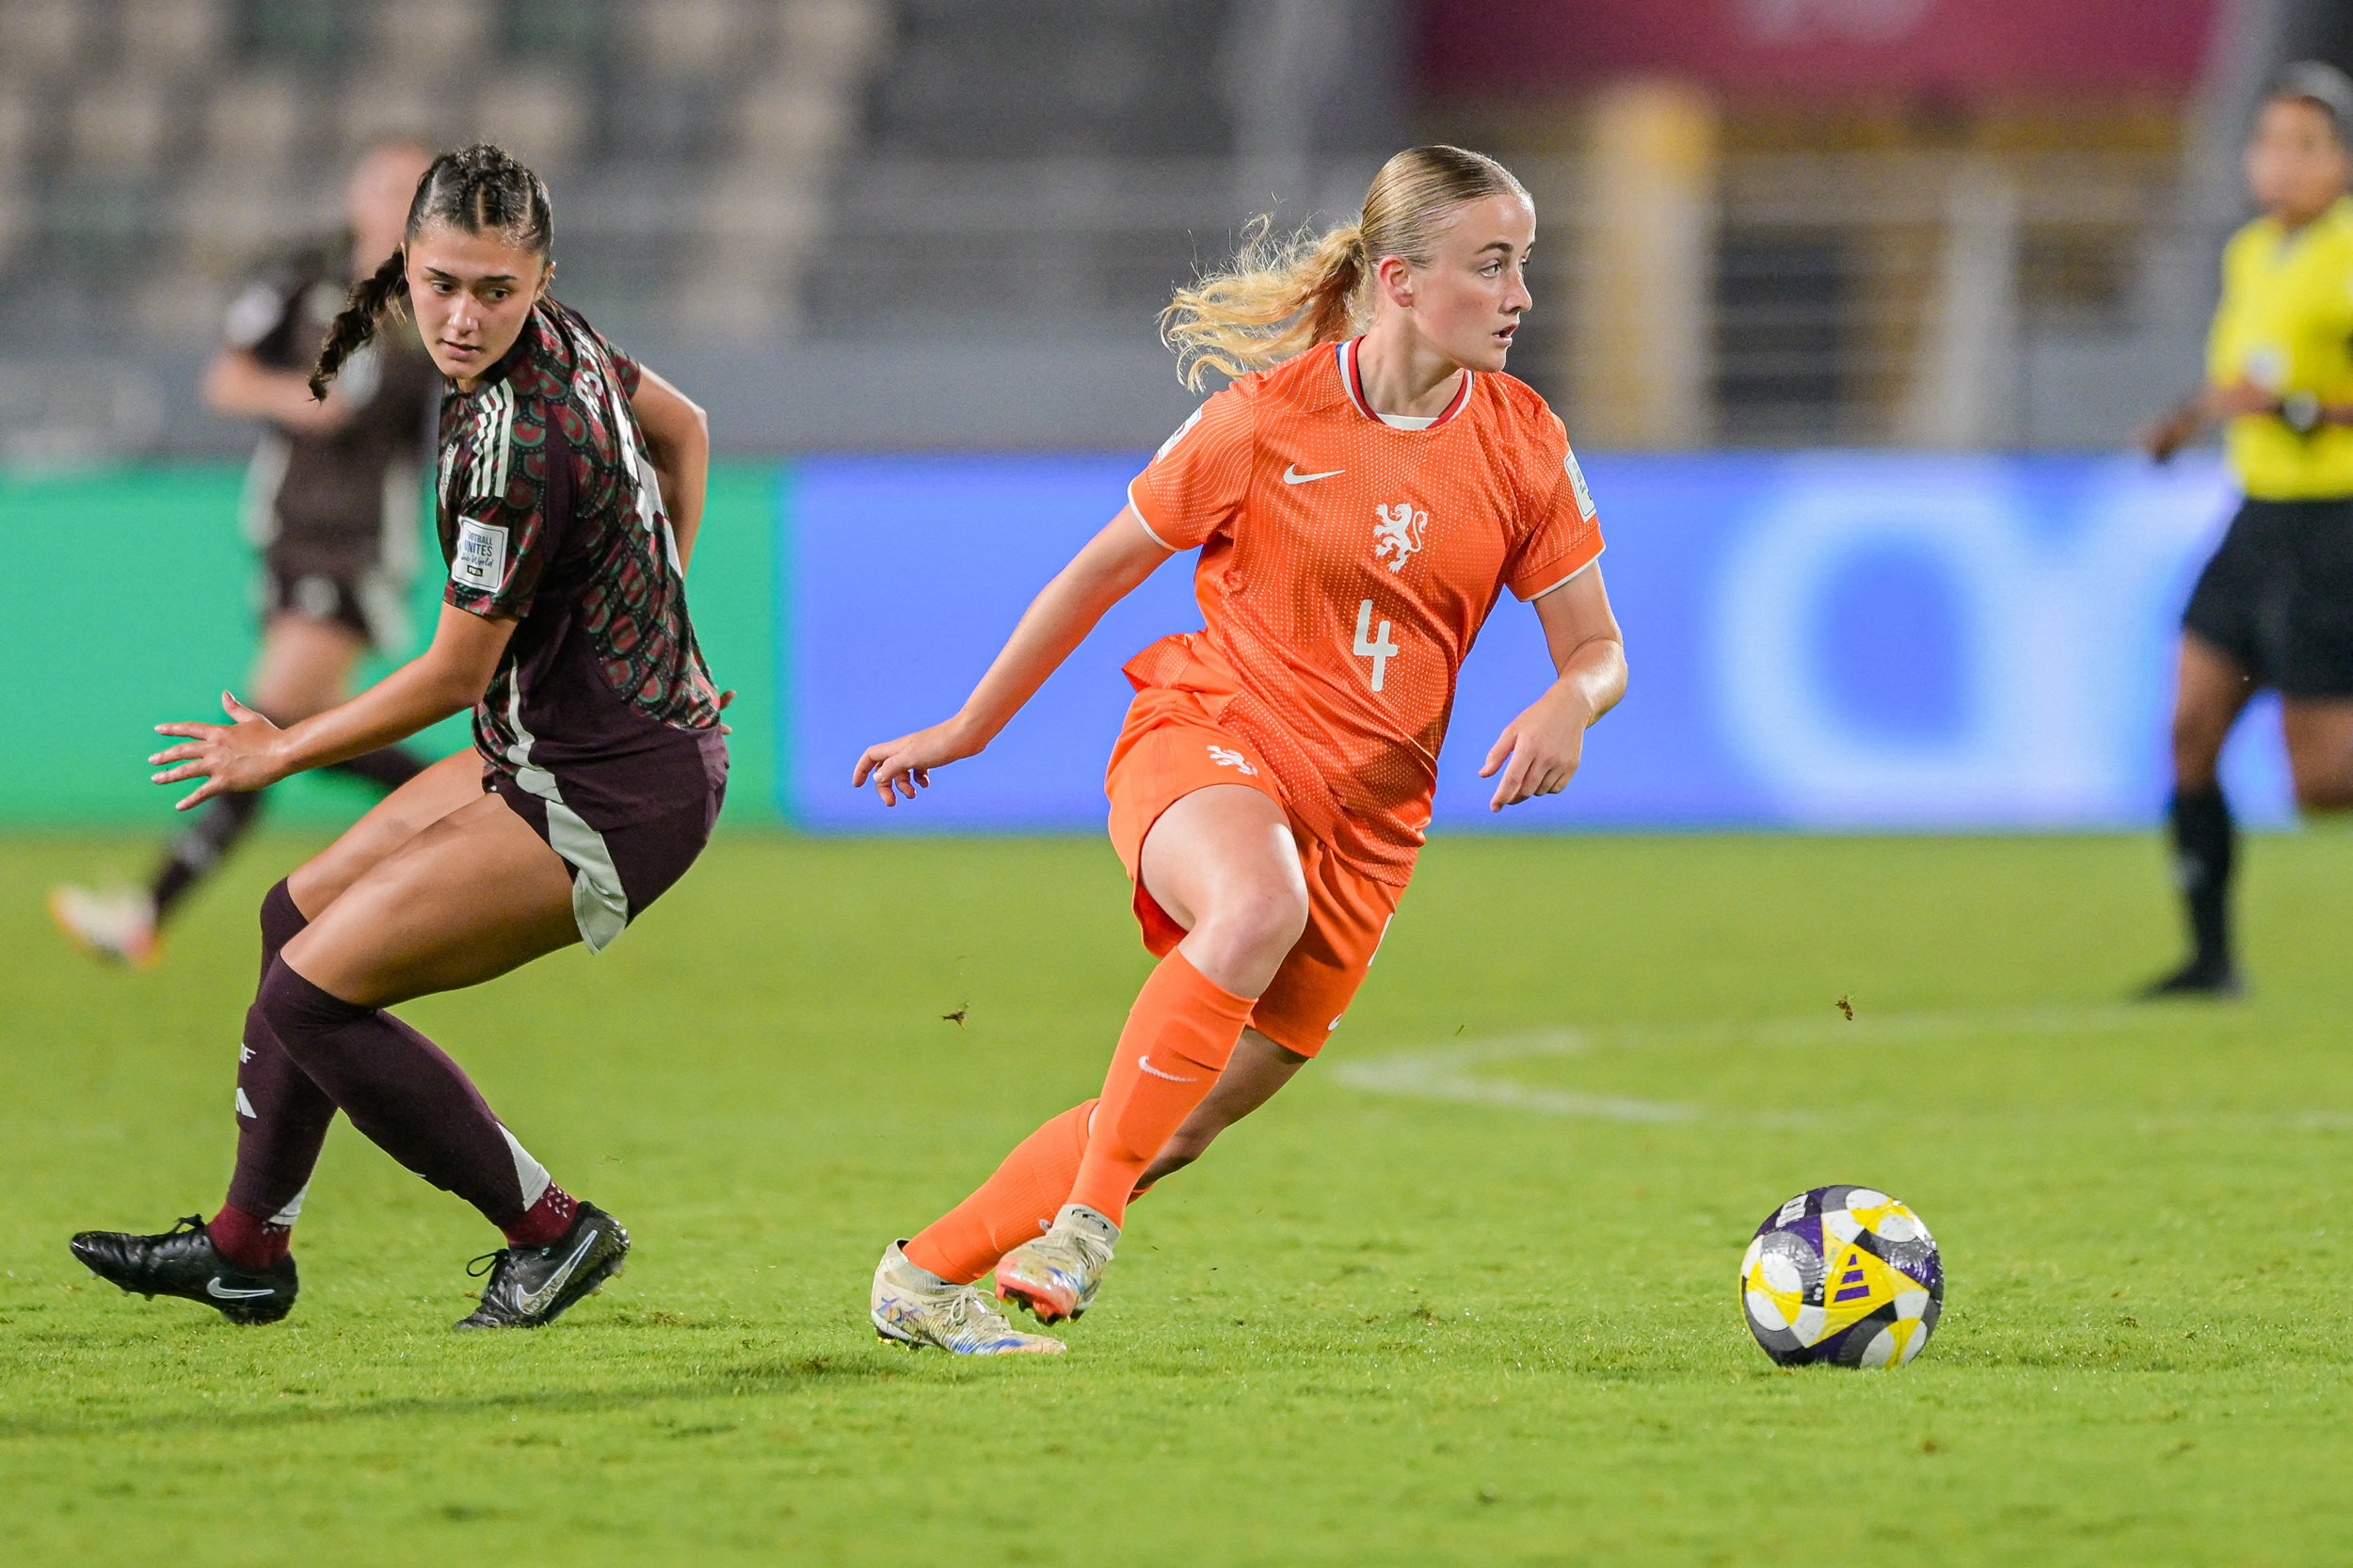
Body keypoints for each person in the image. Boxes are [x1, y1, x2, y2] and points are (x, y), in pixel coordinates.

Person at [857, 145, 1626, 1354]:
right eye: (1491, 265)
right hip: (1211, 736)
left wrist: (1571, 702)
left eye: (1523, 263)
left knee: (1179, 1121)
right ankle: (1086, 1228)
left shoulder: (1524, 441)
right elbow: (1097, 572)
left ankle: (921, 1277)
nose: (1520, 295)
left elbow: (1597, 649)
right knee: (1255, 901)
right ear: (1399, 280)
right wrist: (968, 728)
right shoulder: (1264, 419)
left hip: (1371, 829)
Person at [68, 144, 727, 1331]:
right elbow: (684, 428)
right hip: (551, 748)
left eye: (494, 291)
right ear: (402, 267)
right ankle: (245, 1250)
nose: (463, 316)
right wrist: (656, 628)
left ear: (541, 278)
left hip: (605, 794)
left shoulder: (511, 443)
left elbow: (452, 672)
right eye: (441, 284)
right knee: (292, 922)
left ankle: (551, 1230)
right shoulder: (561, 337)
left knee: (312, 995)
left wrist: (282, 749)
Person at [51, 141, 443, 968]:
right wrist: (295, 400)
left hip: (360, 539)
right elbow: (226, 379)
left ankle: (146, 912)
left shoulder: (439, 303)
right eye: (382, 186)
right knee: (298, 726)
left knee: (278, 719)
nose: (393, 202)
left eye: (413, 190)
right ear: (355, 194)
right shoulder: (303, 278)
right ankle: (462, 804)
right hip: (286, 527)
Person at [2139, 61, 2353, 998]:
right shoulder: (2251, 254)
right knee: (2190, 726)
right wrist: (2186, 419)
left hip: (2334, 527)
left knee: (2322, 787)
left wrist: (2297, 411)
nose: (2281, 161)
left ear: (2341, 164)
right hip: (2255, 520)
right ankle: (2211, 961)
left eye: (2305, 144)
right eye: (2268, 141)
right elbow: (2246, 381)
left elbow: (2285, 398)